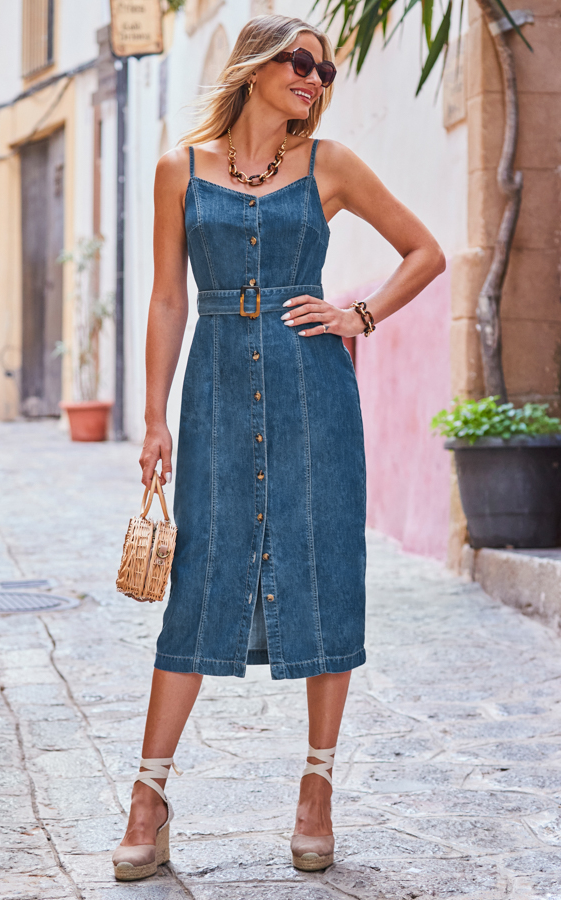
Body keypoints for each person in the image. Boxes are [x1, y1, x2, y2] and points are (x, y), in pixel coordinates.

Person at [112, 13, 445, 881]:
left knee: (325, 566)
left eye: (325, 71)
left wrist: (355, 317)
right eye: (301, 62)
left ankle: (317, 787)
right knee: (202, 573)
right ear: (255, 65)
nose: (315, 79)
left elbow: (426, 251)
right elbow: (165, 303)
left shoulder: (328, 165)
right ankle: (149, 797)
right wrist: (153, 417)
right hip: (218, 389)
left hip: (313, 393)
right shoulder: (177, 171)